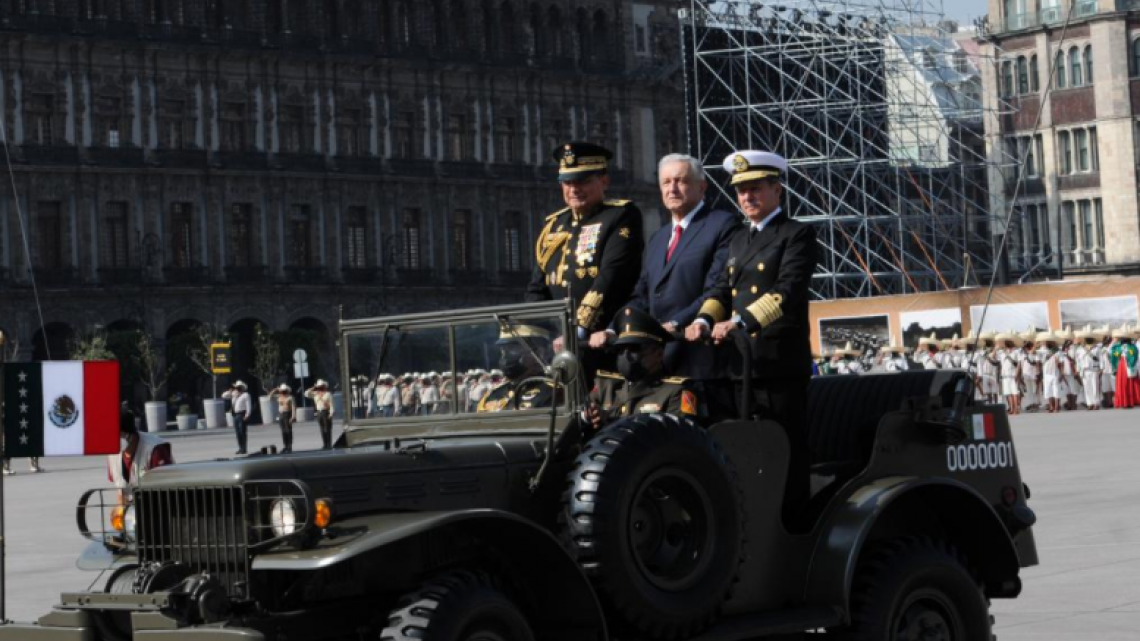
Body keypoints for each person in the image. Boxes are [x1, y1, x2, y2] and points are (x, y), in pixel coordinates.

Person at [684, 149, 817, 519]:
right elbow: (721, 292)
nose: (747, 198)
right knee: (742, 451)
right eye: (741, 191)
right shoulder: (738, 240)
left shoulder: (796, 234)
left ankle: (793, 521)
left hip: (777, 364)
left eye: (756, 189)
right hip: (738, 365)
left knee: (786, 450)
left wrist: (740, 322)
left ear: (778, 190)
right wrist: (705, 321)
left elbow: (786, 292)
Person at [589, 154, 739, 380]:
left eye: (681, 181)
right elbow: (642, 295)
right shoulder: (659, 238)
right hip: (659, 362)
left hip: (701, 358)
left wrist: (676, 323)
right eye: (666, 183)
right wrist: (614, 328)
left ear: (702, 186)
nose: (673, 189)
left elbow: (717, 288)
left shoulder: (722, 224)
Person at [525, 141, 644, 383]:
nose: (574, 189)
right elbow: (538, 288)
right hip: (559, 348)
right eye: (568, 182)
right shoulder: (553, 226)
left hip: (603, 341)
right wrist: (535, 333)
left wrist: (578, 329)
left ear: (604, 181)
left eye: (583, 181)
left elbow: (611, 277)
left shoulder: (620, 216)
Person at [585, 307, 699, 430]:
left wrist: (609, 421)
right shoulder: (605, 387)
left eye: (635, 348)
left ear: (658, 354)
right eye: (622, 349)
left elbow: (678, 441)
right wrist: (587, 417)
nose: (626, 355)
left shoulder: (675, 392)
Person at [478, 325, 556, 412]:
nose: (506, 357)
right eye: (504, 350)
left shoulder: (552, 393)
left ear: (539, 353)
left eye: (513, 349)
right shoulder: (491, 395)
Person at [107, 401, 174, 502]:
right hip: (132, 508)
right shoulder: (112, 454)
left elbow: (166, 485)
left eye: (117, 435)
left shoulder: (155, 448)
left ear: (128, 435)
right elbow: (120, 489)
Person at [1110, 327, 1140, 409]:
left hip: (1121, 365)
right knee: (1130, 383)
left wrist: (1115, 366)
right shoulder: (1132, 347)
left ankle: (1124, 401)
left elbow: (1114, 357)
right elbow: (1134, 356)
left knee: (1122, 384)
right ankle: (1130, 401)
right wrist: (1130, 362)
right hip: (1128, 365)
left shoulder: (1117, 347)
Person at [1076, 327, 1103, 411]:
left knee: (1095, 387)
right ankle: (1090, 403)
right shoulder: (1080, 349)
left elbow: (1101, 359)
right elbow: (1078, 361)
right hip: (1084, 370)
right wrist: (1078, 370)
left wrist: (1101, 369)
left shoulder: (1097, 349)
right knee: (1087, 388)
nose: (1088, 339)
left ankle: (1096, 403)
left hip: (1094, 369)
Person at [995, 332, 1023, 415]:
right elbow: (995, 359)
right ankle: (1011, 408)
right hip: (1005, 375)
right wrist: (996, 349)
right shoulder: (1002, 353)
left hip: (1012, 375)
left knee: (1014, 393)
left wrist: (1017, 374)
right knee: (1008, 393)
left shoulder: (1016, 352)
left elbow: (1018, 364)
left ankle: (1016, 409)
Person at [222, 380, 252, 455]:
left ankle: (244, 448)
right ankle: (240, 448)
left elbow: (249, 406)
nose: (237, 388)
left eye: (238, 387)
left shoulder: (245, 395)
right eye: (236, 387)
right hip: (235, 415)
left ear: (242, 388)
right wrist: (230, 392)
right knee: (238, 432)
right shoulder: (234, 394)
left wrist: (247, 415)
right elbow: (223, 396)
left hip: (242, 414)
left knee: (242, 432)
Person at [1038, 333, 1065, 413]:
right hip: (1046, 374)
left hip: (1055, 373)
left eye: (1048, 342)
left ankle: (1056, 407)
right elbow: (1040, 361)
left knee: (1056, 391)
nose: (1046, 344)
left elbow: (1062, 363)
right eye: (1046, 342)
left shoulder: (1058, 352)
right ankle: (1051, 406)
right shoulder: (1043, 351)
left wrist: (1062, 373)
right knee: (1047, 391)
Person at [305, 379, 335, 449]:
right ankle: (325, 444)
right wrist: (313, 387)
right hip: (319, 412)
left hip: (326, 412)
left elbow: (331, 405)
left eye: (321, 386)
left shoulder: (328, 394)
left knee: (327, 429)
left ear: (324, 386)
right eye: (319, 386)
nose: (320, 388)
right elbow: (306, 393)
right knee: (322, 429)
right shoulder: (315, 394)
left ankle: (329, 444)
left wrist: (331, 413)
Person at [273, 384, 296, 452]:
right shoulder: (279, 397)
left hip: (287, 414)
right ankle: (285, 446)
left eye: (284, 391)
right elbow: (270, 397)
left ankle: (289, 446)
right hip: (281, 414)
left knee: (288, 431)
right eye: (282, 391)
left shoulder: (290, 397)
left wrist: (293, 416)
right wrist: (274, 390)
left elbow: (293, 407)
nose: (283, 392)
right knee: (283, 431)